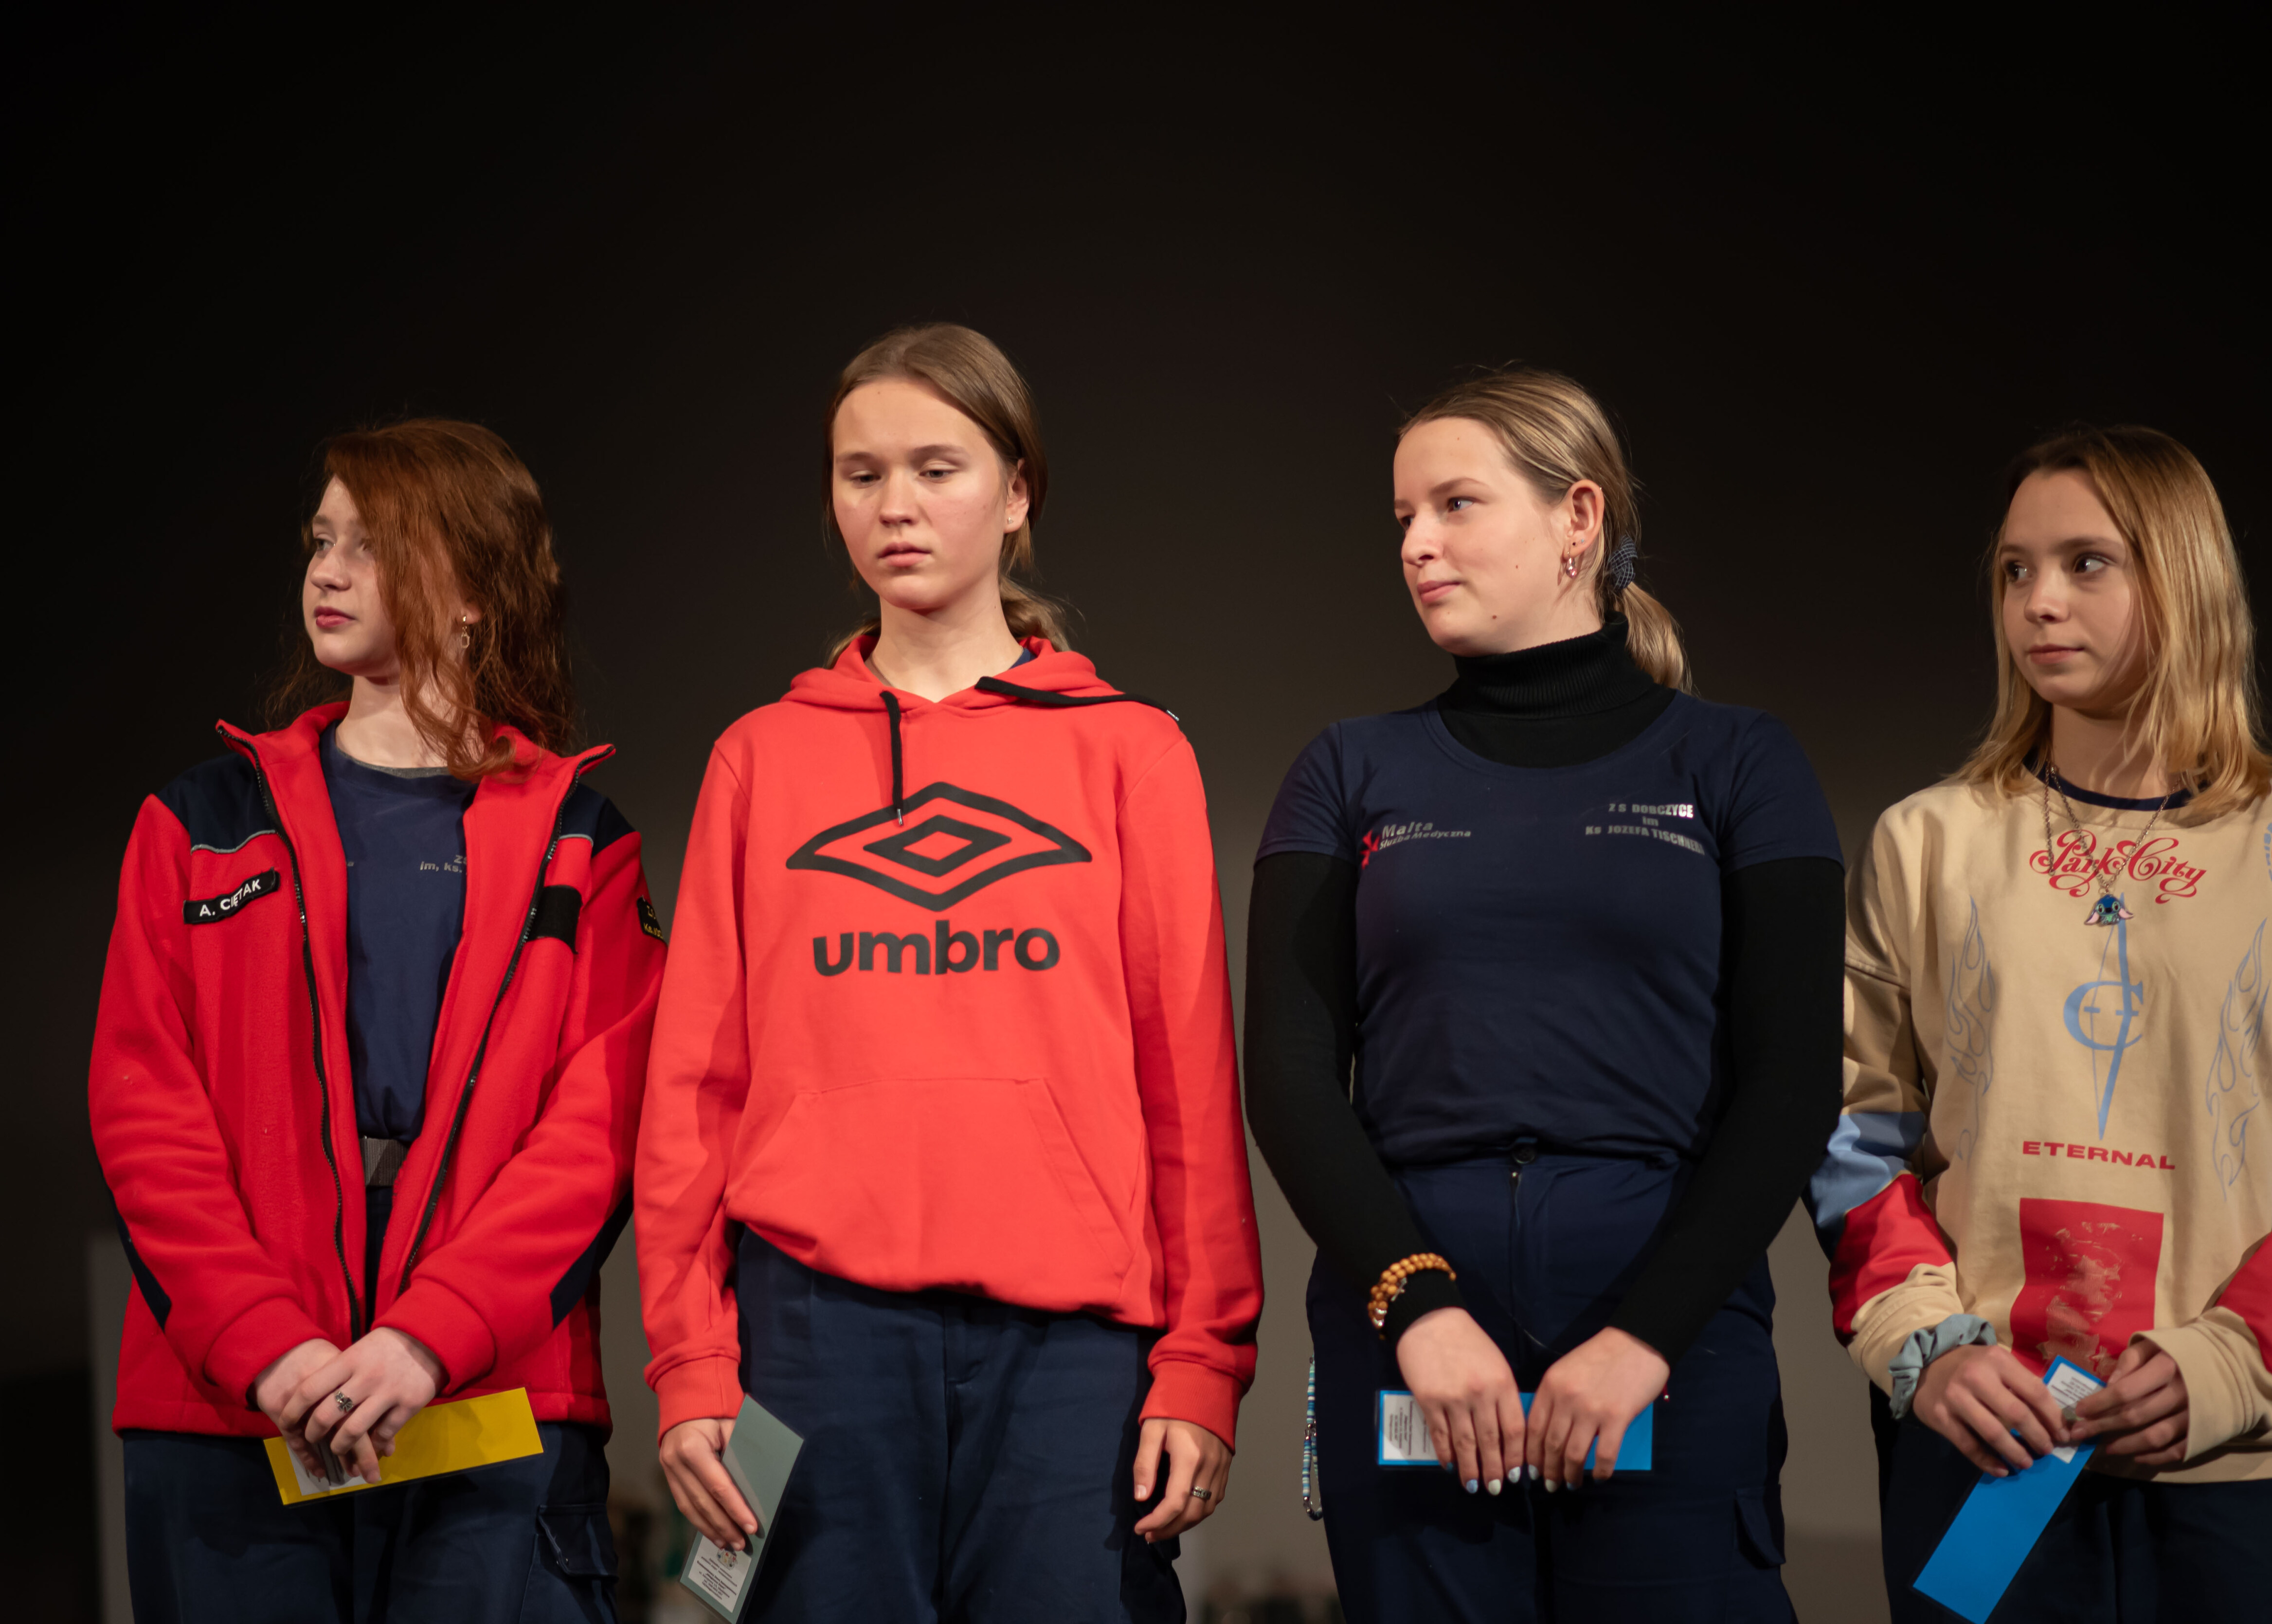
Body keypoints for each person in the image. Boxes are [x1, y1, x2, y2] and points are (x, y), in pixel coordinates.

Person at [636, 323, 1262, 1622]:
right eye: (861, 474)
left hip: (1074, 1349)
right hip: (806, 1337)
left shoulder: (1131, 752)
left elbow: (1189, 1085)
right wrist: (690, 1362)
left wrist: (1205, 1357)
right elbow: (693, 1091)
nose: (896, 505)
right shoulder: (759, 757)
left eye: (937, 468)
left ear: (1018, 491)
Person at [1246, 368, 1845, 1621]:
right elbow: (1291, 1077)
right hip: (1411, 1327)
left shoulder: (1739, 761)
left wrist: (1645, 1337)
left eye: (1455, 504)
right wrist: (1418, 1307)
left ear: (1577, 517)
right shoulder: (1347, 769)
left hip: (1663, 1326)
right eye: (1403, 517)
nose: (1416, 545)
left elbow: (1791, 1084)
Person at [1811, 424, 2272, 1622]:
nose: (2038, 601)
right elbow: (1848, 1125)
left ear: (2183, 578)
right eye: (2014, 568)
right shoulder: (1926, 844)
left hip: (2236, 1467)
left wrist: (2234, 1362)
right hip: (1986, 1453)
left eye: (2086, 563)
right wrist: (1927, 1347)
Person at [92, 419, 665, 1621]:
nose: (329, 571)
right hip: (231, 1415)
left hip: (485, 1410)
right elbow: (146, 1113)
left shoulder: (582, 842)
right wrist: (269, 1345)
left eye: (372, 544)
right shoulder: (200, 822)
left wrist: (426, 1338)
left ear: (475, 592)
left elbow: (594, 1135)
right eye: (321, 541)